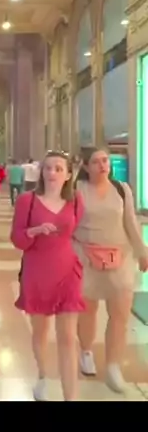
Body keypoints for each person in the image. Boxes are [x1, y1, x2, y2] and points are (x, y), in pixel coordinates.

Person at [73, 146, 148, 393]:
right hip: (85, 258)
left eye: (105, 160)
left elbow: (131, 223)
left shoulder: (121, 189)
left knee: (120, 314)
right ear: (86, 166)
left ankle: (114, 366)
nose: (103, 165)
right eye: (96, 162)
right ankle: (86, 351)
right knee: (88, 310)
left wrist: (142, 251)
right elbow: (67, 224)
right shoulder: (77, 190)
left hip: (119, 259)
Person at [11, 151, 84, 401]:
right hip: (37, 272)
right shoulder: (27, 201)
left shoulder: (76, 201)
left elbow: (75, 231)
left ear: (68, 175)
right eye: (48, 168)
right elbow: (17, 239)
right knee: (40, 332)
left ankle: (70, 397)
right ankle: (43, 374)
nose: (52, 173)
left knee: (68, 337)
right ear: (41, 172)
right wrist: (34, 231)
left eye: (58, 169)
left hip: (68, 271)